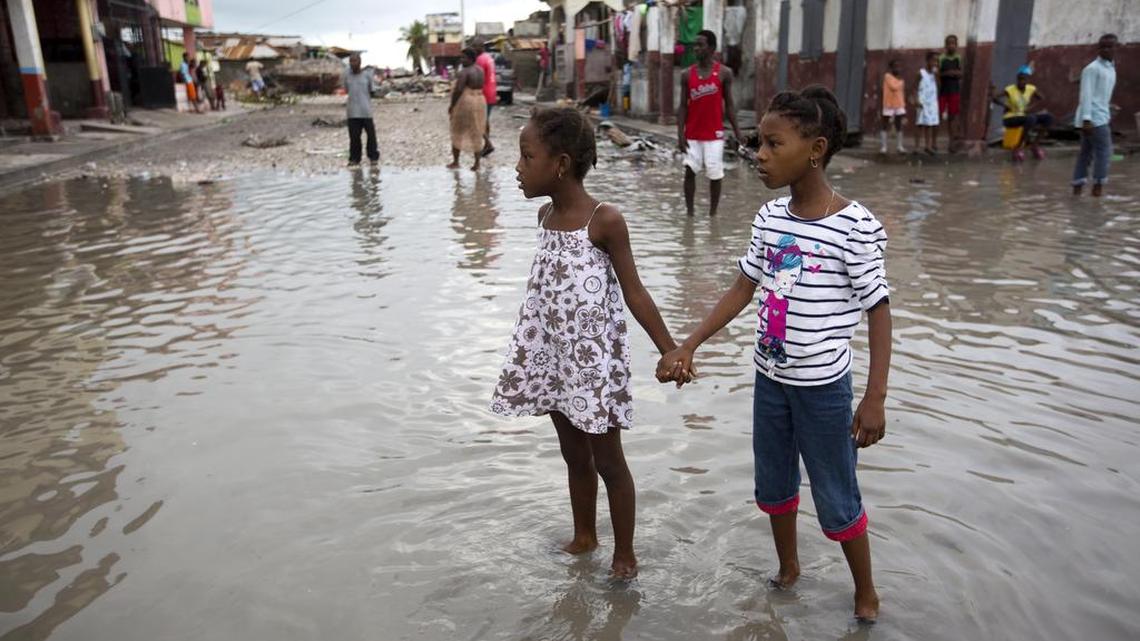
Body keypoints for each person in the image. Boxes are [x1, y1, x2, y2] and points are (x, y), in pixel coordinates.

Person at [657, 85, 890, 622]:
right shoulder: (770, 218)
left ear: (815, 149)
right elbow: (744, 287)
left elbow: (879, 311)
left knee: (836, 493)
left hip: (825, 390)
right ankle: (789, 567)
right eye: (758, 142)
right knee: (775, 484)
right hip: (771, 381)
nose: (758, 154)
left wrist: (874, 398)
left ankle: (865, 591)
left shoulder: (853, 227)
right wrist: (689, 343)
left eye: (772, 143)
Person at [490, 108, 684, 579]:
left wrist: (669, 348)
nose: (517, 167)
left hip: (591, 365)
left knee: (608, 460)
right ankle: (584, 536)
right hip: (554, 358)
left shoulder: (604, 221)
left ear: (559, 164)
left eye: (526, 156)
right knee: (573, 455)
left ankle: (625, 555)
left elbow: (635, 290)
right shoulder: (545, 215)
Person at [676, 30, 742, 217]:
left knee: (715, 174)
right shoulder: (686, 75)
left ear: (712, 48)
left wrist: (738, 132)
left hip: (714, 135)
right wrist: (680, 134)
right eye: (694, 45)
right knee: (689, 171)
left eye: (700, 45)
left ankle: (713, 215)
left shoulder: (724, 73)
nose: (696, 49)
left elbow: (729, 105)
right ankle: (690, 214)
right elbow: (682, 107)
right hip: (693, 134)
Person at [1072, 33, 1118, 197]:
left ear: (1115, 48)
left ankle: (1077, 188)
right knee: (1105, 153)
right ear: (1098, 48)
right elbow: (1086, 95)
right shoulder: (1092, 69)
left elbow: (1101, 96)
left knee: (1086, 152)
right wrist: (1086, 120)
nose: (1105, 50)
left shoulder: (1110, 68)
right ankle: (1098, 187)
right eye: (1102, 46)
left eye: (1109, 46)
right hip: (1093, 118)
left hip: (1101, 116)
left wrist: (1108, 112)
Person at [991, 65, 1054, 162]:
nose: (1022, 82)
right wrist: (1005, 106)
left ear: (1027, 80)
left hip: (1024, 115)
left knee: (1048, 118)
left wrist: (1031, 108)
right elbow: (994, 98)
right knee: (1031, 119)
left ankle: (1035, 145)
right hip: (1010, 117)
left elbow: (1041, 98)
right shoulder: (1010, 89)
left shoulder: (1031, 89)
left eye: (1024, 79)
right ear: (1017, 80)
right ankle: (1018, 147)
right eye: (1020, 79)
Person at [448, 48, 487, 171]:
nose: (461, 60)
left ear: (470, 58)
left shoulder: (465, 72)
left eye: (463, 57)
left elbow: (459, 89)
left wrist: (452, 105)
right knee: (477, 130)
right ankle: (477, 163)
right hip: (480, 99)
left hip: (466, 100)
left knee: (457, 130)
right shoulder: (480, 70)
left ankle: (456, 162)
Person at [342, 53, 378, 166]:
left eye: (354, 61)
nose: (352, 64)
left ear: (360, 62)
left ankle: (373, 157)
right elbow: (346, 90)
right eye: (351, 62)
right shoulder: (347, 76)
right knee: (354, 138)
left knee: (371, 136)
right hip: (352, 112)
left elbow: (372, 91)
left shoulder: (367, 75)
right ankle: (354, 159)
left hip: (366, 111)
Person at [938, 35, 964, 152]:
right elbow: (938, 74)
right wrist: (948, 73)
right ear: (945, 45)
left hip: (954, 91)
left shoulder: (958, 58)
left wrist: (955, 73)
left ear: (956, 45)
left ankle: (951, 142)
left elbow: (961, 73)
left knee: (952, 116)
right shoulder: (942, 58)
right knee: (937, 115)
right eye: (949, 43)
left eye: (953, 43)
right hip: (943, 91)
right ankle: (933, 142)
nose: (951, 46)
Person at [475, 42, 499, 157]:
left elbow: (478, 78)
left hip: (484, 93)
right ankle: (486, 145)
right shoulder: (489, 58)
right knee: (485, 120)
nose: (474, 50)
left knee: (478, 121)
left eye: (475, 47)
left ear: (480, 47)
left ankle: (489, 144)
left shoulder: (480, 59)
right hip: (492, 91)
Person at [913, 51, 940, 154]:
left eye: (937, 61)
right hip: (922, 102)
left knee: (929, 124)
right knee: (919, 124)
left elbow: (938, 86)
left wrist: (937, 76)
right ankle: (916, 146)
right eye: (933, 60)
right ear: (928, 60)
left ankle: (927, 146)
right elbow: (915, 87)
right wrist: (916, 99)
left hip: (932, 102)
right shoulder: (920, 73)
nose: (935, 63)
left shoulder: (935, 74)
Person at [880, 60, 906, 154]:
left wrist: (903, 103)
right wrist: (901, 82)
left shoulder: (899, 78)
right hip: (889, 103)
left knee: (899, 124)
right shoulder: (887, 76)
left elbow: (901, 92)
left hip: (899, 104)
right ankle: (884, 146)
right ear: (891, 68)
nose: (897, 69)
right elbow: (894, 87)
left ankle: (900, 146)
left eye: (899, 67)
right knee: (885, 124)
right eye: (895, 67)